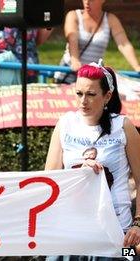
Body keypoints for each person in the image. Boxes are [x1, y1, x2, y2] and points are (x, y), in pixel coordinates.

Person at [45, 61, 140, 258]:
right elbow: (49, 181)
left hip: (118, 233)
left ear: (107, 96)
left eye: (90, 94)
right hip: (71, 232)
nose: (83, 101)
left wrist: (138, 224)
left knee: (130, 256)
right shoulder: (65, 124)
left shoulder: (124, 126)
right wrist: (79, 173)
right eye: (79, 93)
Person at [54, 0, 140, 84]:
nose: (87, 2)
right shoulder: (73, 15)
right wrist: (75, 61)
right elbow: (72, 39)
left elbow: (124, 44)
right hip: (69, 73)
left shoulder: (110, 19)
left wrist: (137, 67)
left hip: (92, 77)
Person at [0, 0, 52, 87]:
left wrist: (51, 19)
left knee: (28, 100)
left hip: (29, 68)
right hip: (2, 65)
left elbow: (37, 40)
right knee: (5, 100)